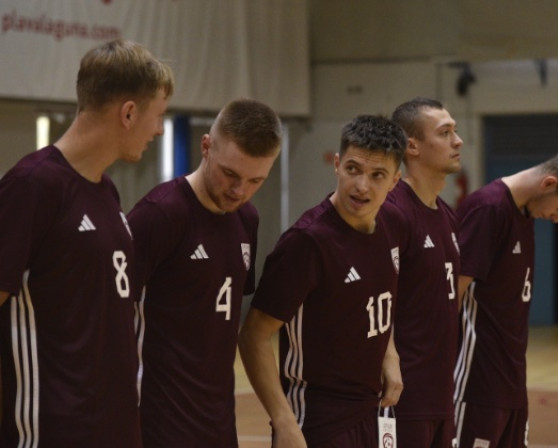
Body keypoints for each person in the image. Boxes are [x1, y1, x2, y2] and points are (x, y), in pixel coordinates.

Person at [0, 39, 173, 447]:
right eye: (159, 115)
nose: (161, 129)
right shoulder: (32, 186)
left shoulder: (106, 191)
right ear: (129, 113)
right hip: (52, 431)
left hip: (114, 428)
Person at [238, 114, 407, 447]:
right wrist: (283, 421)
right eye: (353, 169)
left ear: (395, 181)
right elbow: (253, 335)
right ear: (337, 164)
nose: (362, 185)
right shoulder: (308, 242)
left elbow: (377, 300)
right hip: (317, 420)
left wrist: (390, 356)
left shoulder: (393, 224)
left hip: (373, 410)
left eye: (377, 176)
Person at [127, 99, 282, 447]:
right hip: (154, 421)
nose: (239, 191)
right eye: (230, 174)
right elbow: (108, 317)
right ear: (206, 146)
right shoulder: (159, 215)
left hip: (217, 422)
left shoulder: (247, 219)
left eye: (255, 180)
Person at [453, 149, 558, 447]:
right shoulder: (489, 208)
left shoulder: (524, 213)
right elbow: (450, 295)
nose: (557, 218)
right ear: (548, 184)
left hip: (511, 381)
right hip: (477, 380)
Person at [387, 98, 463, 447]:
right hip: (403, 395)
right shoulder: (392, 212)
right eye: (445, 133)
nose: (457, 141)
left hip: (441, 392)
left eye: (455, 131)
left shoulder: (447, 216)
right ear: (412, 146)